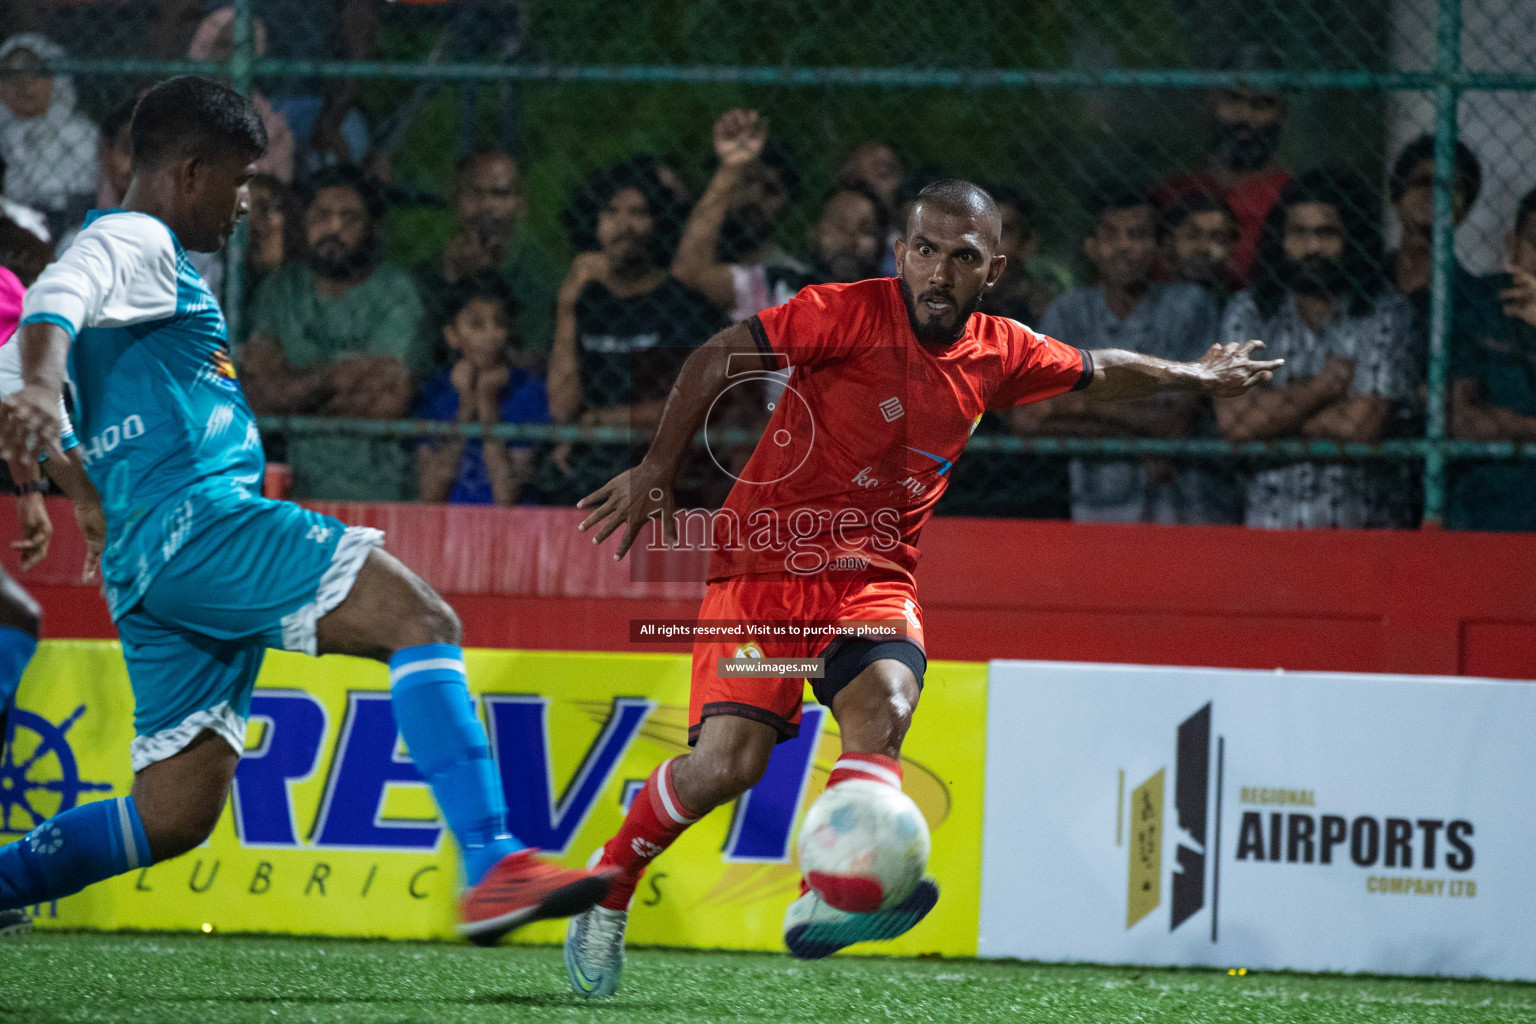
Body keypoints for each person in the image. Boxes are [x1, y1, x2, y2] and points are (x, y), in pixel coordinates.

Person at [561, 180, 1280, 996]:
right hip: (764, 564)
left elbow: (1098, 370)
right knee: (727, 767)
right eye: (925, 251)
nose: (939, 272)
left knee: (888, 705)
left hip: (873, 577)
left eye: (963, 258)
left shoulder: (1001, 349)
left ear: (994, 269)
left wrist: (1194, 373)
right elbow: (720, 354)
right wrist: (658, 468)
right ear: (901, 252)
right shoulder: (843, 311)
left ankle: (825, 900)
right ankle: (608, 886)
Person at [0, 75, 611, 943]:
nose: (248, 203)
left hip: (148, 561)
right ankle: (493, 864)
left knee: (173, 813)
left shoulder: (126, 258)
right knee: (419, 618)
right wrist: (42, 383)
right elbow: (58, 298)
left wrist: (75, 494)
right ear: (191, 171)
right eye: (242, 180)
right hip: (205, 524)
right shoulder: (134, 240)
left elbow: (19, 387)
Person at [1216, 169, 1418, 529]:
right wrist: (1324, 389)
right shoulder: (1250, 311)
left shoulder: (1385, 312)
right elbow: (1235, 422)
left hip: (1362, 527)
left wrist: (1273, 415)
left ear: (1352, 237)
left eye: (1326, 234)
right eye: (1299, 234)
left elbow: (1362, 424)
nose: (1311, 248)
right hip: (1268, 525)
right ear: (1280, 237)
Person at [1017, 189, 1228, 524]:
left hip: (1184, 509)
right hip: (1094, 508)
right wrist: (1139, 431)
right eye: (1110, 234)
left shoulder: (1188, 305)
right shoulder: (1069, 313)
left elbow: (1174, 422)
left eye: (1138, 235)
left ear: (1159, 247)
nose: (1124, 246)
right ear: (1091, 246)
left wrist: (1081, 403)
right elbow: (1030, 418)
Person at [241, 163, 428, 501]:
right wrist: (339, 376)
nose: (334, 228)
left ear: (371, 225)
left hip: (377, 489)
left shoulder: (396, 292)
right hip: (287, 489)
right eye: (322, 215)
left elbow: (389, 400)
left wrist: (294, 389)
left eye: (350, 218)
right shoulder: (280, 291)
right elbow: (258, 397)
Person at [544, 157, 721, 504]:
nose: (623, 225)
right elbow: (564, 409)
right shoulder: (584, 299)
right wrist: (567, 306)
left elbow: (690, 402)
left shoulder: (679, 302)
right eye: (611, 212)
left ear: (658, 222)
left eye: (638, 213)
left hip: (662, 462)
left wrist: (600, 420)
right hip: (588, 465)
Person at [1152, 59, 1291, 285]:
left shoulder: (1294, 197)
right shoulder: (1171, 193)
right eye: (1233, 99)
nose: (1245, 116)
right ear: (1211, 102)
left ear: (1282, 111)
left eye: (1262, 103)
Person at [417, 151, 560, 370]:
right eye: (474, 193)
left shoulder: (539, 272)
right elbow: (421, 356)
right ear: (456, 201)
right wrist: (451, 278)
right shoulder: (430, 271)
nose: (485, 205)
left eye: (500, 194)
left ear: (520, 205)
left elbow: (532, 358)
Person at [415, 273, 549, 505]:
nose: (492, 335)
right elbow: (431, 496)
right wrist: (467, 403)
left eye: (500, 323)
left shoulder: (528, 391)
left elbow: (506, 497)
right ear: (452, 336)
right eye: (477, 325)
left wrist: (487, 403)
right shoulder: (436, 392)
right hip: (449, 524)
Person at [1446, 187, 1536, 531]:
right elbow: (1461, 419)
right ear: (1513, 248)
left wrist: (1508, 426)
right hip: (1485, 508)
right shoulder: (1480, 305)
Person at [670, 109, 807, 323]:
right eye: (747, 181)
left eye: (770, 190)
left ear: (786, 205)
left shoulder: (790, 278)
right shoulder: (674, 252)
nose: (755, 196)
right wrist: (731, 166)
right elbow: (687, 272)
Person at [0, 35, 97, 242]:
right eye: (10, 75)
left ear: (57, 78)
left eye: (34, 73)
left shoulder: (82, 136)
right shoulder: (4, 136)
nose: (22, 85)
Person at [187, 6, 296, 185]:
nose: (233, 57)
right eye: (224, 45)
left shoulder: (274, 127)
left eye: (242, 49)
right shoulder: (181, 110)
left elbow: (278, 188)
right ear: (209, 48)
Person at [979, 184, 1073, 324]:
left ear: (1027, 245)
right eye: (975, 232)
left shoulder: (1048, 309)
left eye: (1001, 234)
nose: (984, 246)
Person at [1160, 190, 1241, 297]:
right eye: (1192, 236)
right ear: (1168, 245)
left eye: (1218, 239)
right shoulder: (1149, 300)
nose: (1203, 248)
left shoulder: (1242, 302)